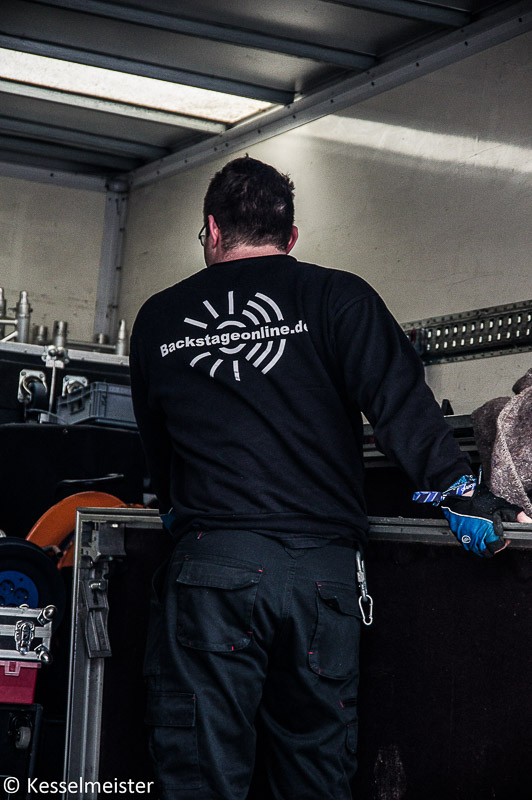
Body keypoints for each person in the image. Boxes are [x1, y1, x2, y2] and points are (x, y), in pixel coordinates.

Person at [129, 156, 529, 800]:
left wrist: (175, 508)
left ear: (212, 229)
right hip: (323, 578)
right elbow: (403, 411)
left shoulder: (158, 318)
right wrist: (464, 496)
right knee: (314, 774)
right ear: (290, 237)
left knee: (200, 773)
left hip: (212, 571)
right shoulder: (340, 297)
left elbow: (159, 449)